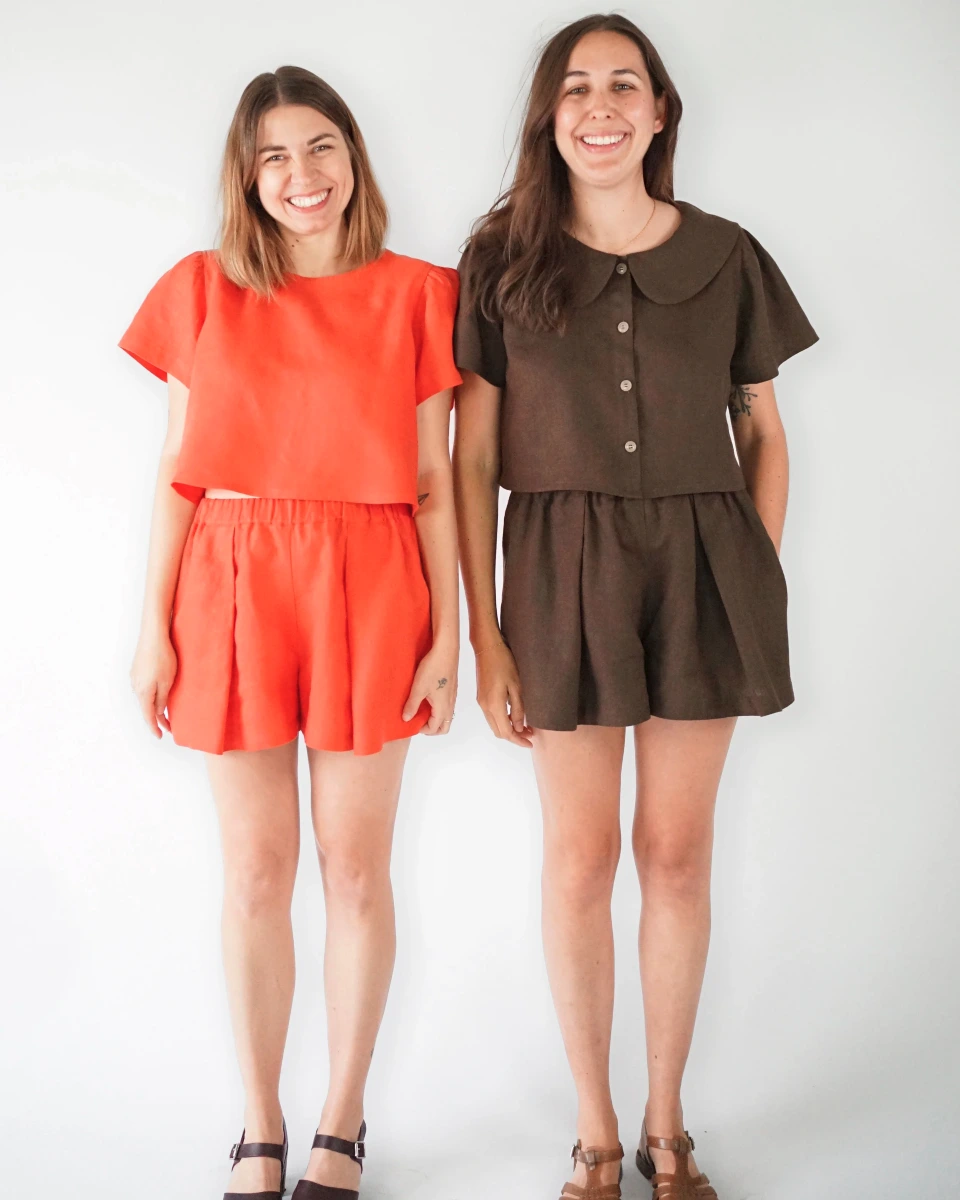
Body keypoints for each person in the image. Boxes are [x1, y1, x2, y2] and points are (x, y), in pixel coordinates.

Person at [452, 14, 818, 1200]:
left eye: (624, 86)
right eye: (575, 89)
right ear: (548, 118)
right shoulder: (500, 256)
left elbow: (762, 426)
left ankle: (669, 1124)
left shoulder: (727, 252)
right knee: (579, 857)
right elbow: (469, 460)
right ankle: (595, 1129)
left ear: (660, 113)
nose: (599, 106)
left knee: (676, 851)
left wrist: (749, 568)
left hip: (706, 567)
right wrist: (488, 631)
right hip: (557, 571)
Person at [120, 65, 460, 1200]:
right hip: (232, 579)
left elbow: (433, 481)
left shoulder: (421, 292)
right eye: (274, 156)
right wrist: (153, 629)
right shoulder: (200, 289)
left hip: (372, 579)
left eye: (320, 148)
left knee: (356, 869)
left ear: (353, 157)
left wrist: (449, 634)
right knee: (258, 869)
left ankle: (342, 1122)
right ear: (246, 175)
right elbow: (176, 478)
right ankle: (260, 1122)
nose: (301, 175)